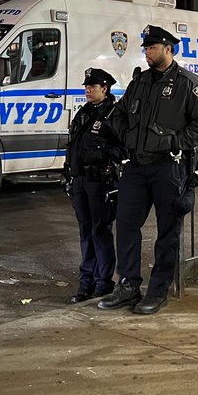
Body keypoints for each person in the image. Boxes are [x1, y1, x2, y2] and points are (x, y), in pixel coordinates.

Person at [98, 25, 198, 315]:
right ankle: (127, 286)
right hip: (136, 168)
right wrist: (128, 138)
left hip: (169, 168)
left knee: (167, 232)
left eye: (151, 48)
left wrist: (173, 141)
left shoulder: (188, 84)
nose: (147, 53)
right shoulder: (140, 82)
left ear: (168, 49)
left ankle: (158, 291)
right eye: (146, 48)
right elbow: (120, 114)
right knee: (125, 226)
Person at [64, 67, 125, 304]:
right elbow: (73, 147)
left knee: (100, 232)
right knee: (85, 233)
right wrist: (68, 174)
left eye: (93, 87)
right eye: (87, 87)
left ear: (105, 88)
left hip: (100, 181)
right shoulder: (84, 113)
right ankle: (86, 283)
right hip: (80, 180)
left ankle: (104, 282)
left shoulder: (113, 114)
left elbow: (123, 148)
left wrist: (101, 152)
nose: (88, 90)